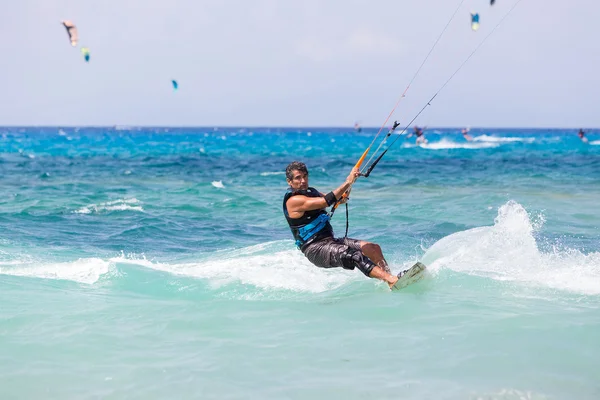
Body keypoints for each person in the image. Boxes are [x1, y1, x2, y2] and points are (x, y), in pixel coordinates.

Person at [283, 161, 401, 288]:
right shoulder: (293, 201)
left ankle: (391, 281)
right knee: (355, 256)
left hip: (330, 241)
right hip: (315, 249)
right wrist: (348, 182)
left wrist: (351, 180)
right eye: (298, 178)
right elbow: (326, 201)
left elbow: (341, 199)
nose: (303, 181)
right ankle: (391, 279)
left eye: (305, 176)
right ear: (289, 182)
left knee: (372, 248)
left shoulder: (312, 192)